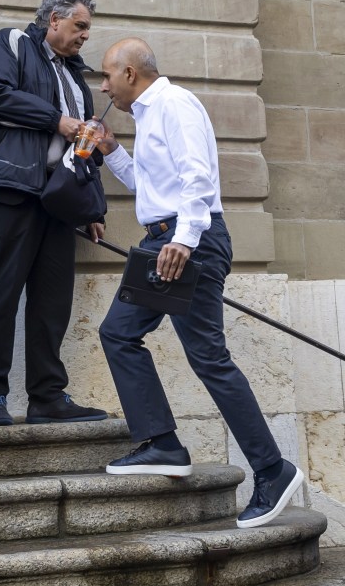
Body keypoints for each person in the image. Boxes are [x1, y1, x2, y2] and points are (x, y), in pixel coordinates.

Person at [96, 38, 303, 529]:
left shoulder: (173, 103)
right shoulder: (147, 115)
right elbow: (152, 189)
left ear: (129, 73)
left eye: (106, 76)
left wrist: (186, 239)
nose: (102, 86)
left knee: (208, 356)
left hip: (188, 241)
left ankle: (273, 470)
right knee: (118, 333)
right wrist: (110, 152)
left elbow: (196, 178)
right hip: (164, 238)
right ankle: (164, 443)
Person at [0, 0, 108, 427]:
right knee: (1, 293)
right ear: (54, 20)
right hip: (7, 187)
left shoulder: (76, 79)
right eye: (80, 26)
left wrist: (92, 206)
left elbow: (83, 146)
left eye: (87, 29)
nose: (85, 36)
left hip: (57, 201)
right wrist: (55, 120)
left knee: (53, 298)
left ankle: (47, 396)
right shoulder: (13, 43)